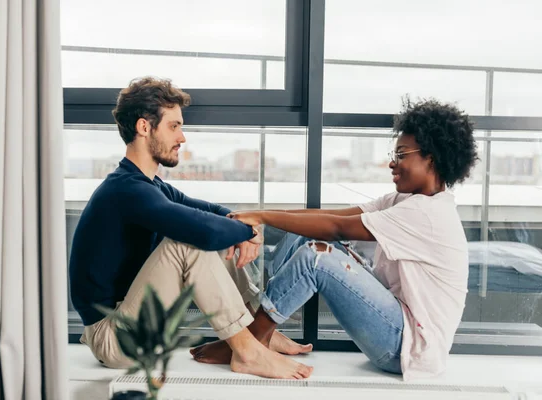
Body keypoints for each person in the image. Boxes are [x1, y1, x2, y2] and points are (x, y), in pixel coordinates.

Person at [191, 98, 478, 381]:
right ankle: (263, 334)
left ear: (432, 157)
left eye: (402, 155)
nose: (392, 163)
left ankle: (248, 346)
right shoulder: (403, 200)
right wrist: (257, 215)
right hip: (393, 319)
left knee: (317, 255)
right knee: (304, 233)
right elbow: (328, 217)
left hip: (405, 346)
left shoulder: (426, 213)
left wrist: (261, 217)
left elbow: (337, 228)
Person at [69, 77, 313, 379]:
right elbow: (204, 233)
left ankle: (255, 328)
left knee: (213, 231)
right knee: (188, 242)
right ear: (144, 128)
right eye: (174, 126)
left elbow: (209, 212)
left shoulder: (150, 186)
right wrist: (248, 232)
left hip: (134, 324)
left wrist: (246, 221)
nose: (182, 137)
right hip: (115, 337)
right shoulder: (125, 191)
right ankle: (247, 351)